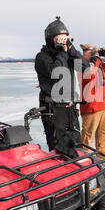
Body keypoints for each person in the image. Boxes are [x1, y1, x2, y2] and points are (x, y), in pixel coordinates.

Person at [34, 17, 89, 155]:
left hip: (70, 109)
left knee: (76, 144)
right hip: (53, 111)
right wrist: (62, 52)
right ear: (50, 39)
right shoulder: (42, 57)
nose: (63, 42)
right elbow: (56, 73)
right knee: (59, 149)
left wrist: (71, 49)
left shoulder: (68, 55)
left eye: (66, 38)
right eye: (60, 38)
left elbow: (85, 68)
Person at [78, 44, 105, 160]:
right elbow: (90, 74)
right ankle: (85, 155)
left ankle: (102, 152)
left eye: (93, 52)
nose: (91, 53)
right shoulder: (81, 65)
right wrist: (95, 59)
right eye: (89, 51)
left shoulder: (99, 65)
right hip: (92, 106)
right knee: (88, 132)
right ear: (84, 53)